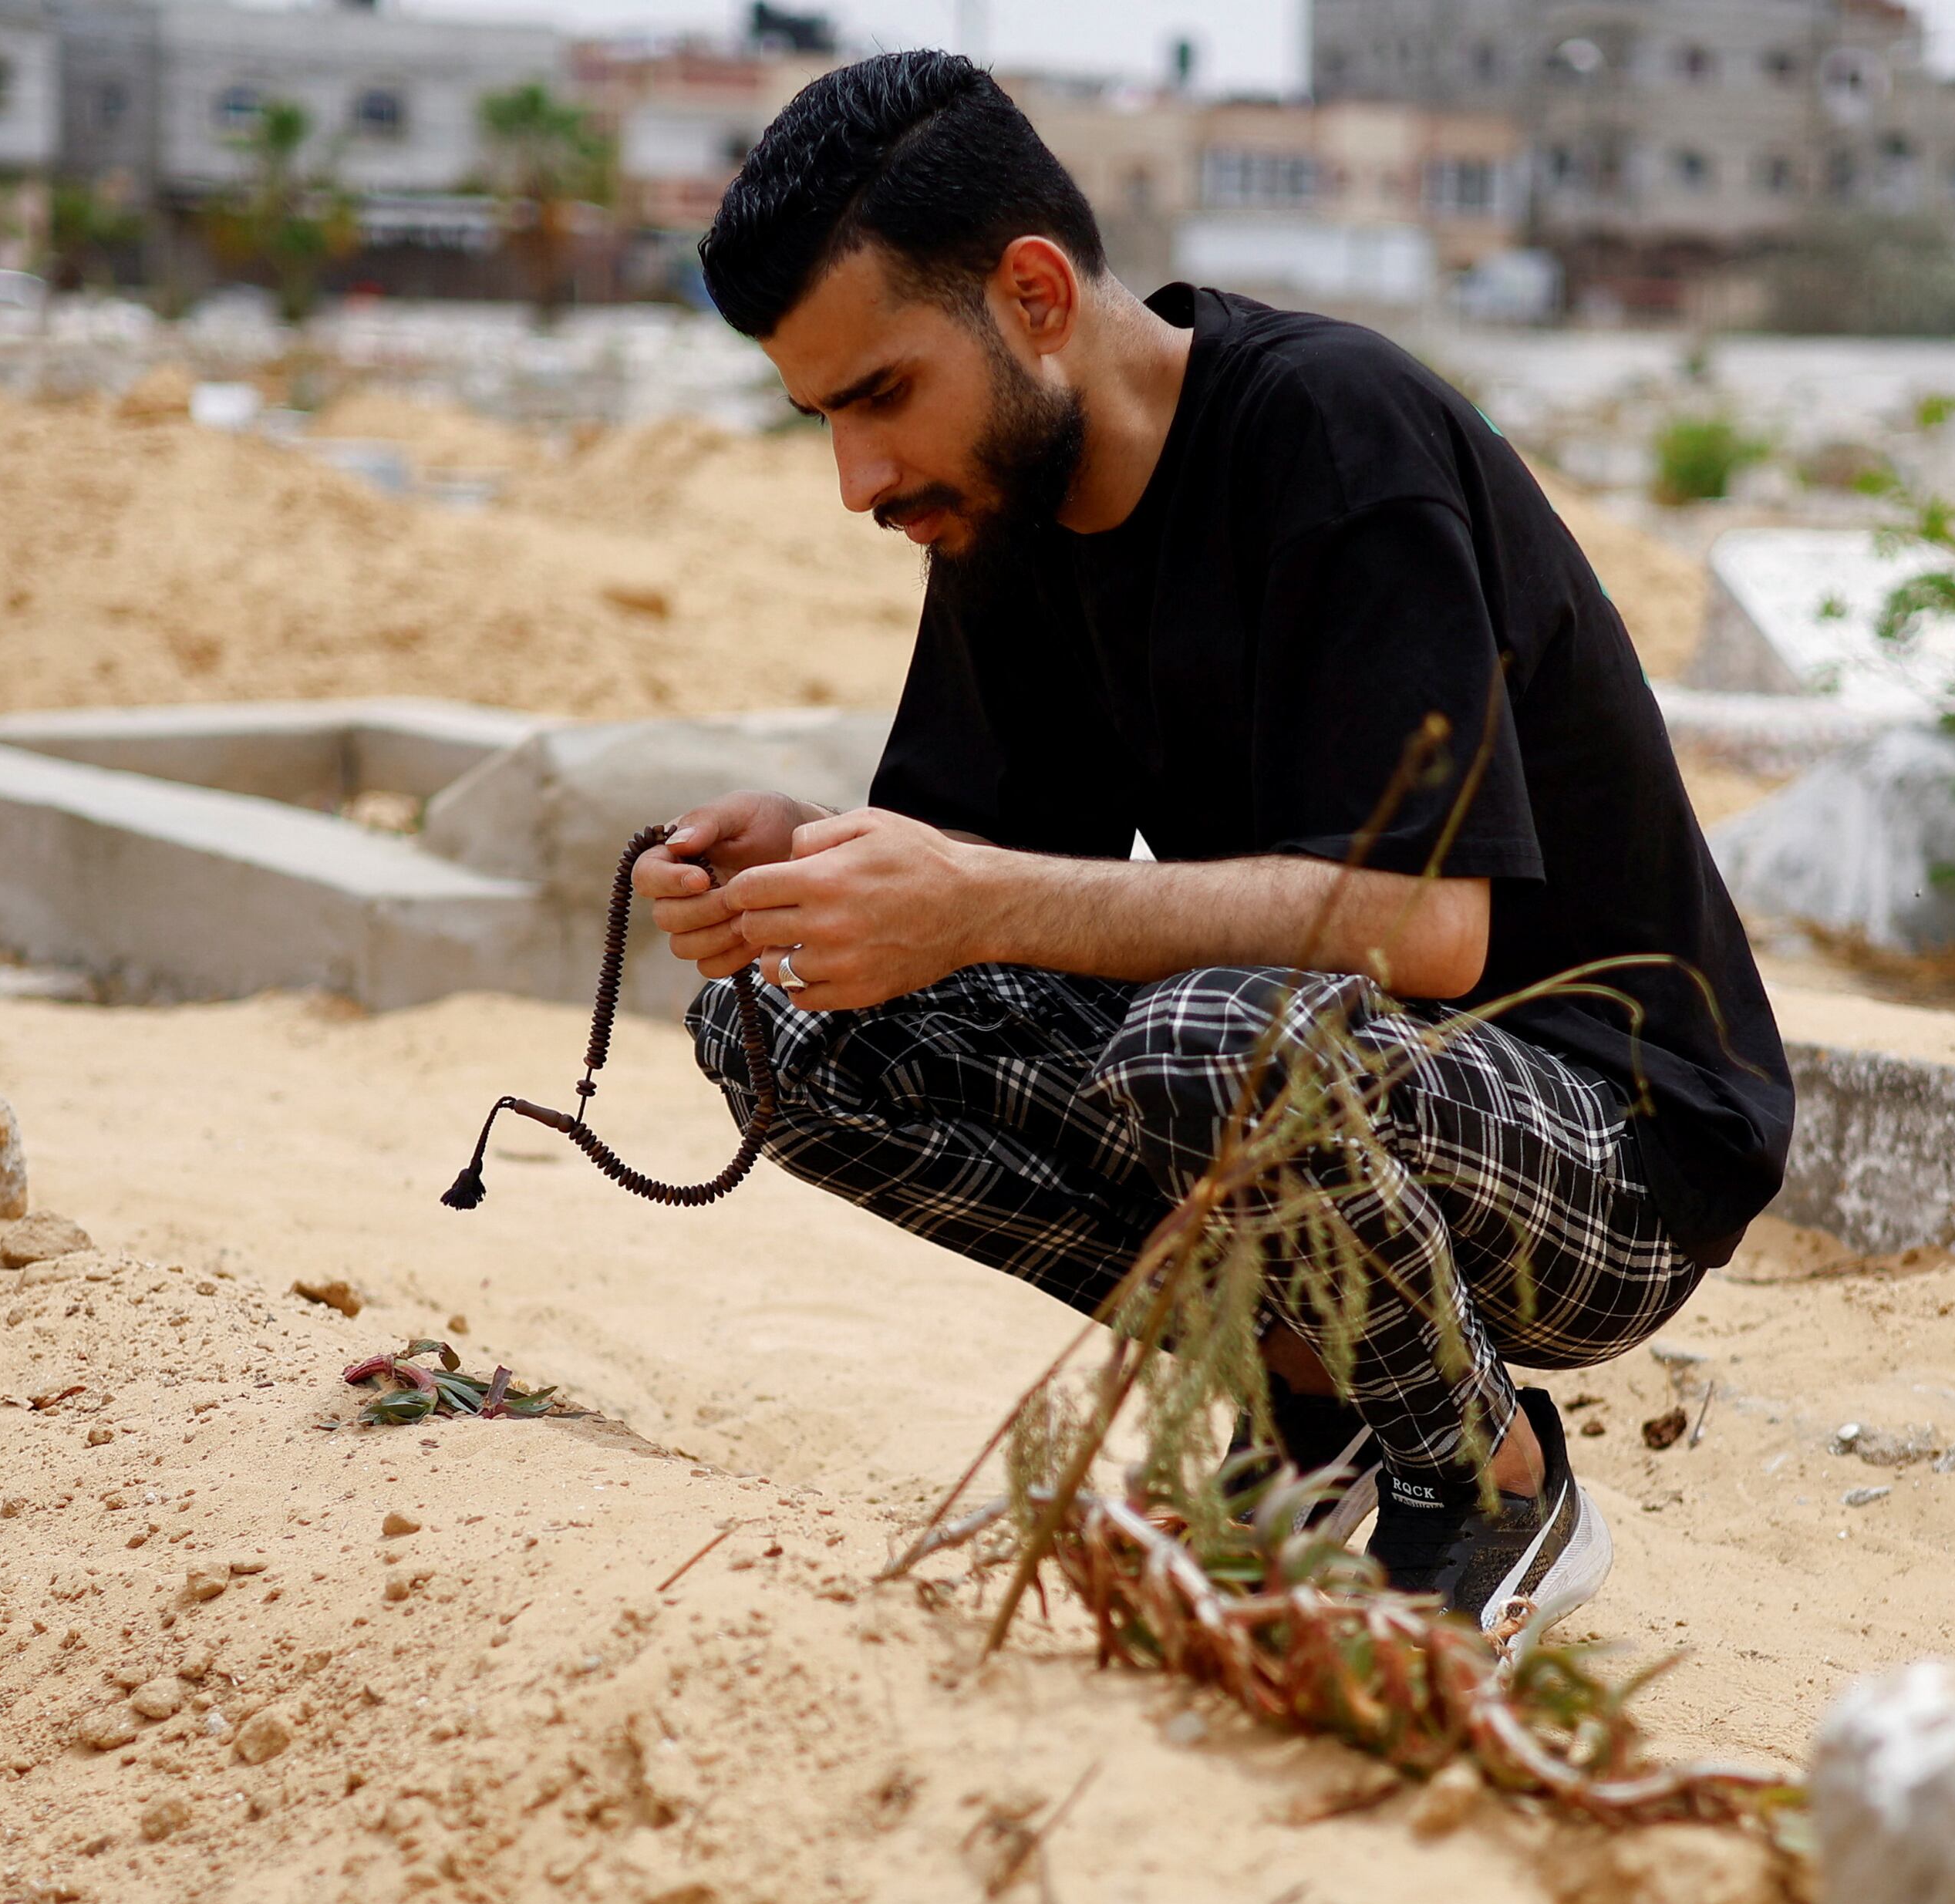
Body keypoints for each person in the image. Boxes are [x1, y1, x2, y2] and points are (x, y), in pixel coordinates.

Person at [642, 50, 1791, 1653]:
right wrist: (812, 861)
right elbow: (986, 889)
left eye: (880, 394)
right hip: (1303, 1084)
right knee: (789, 1030)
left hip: (1613, 1140)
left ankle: (1488, 1474)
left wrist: (973, 895)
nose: (860, 480)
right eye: (820, 418)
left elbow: (1430, 932)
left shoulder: (1335, 433)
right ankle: (1318, 1421)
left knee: (1210, 1032)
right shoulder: (1001, 504)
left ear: (1033, 294)